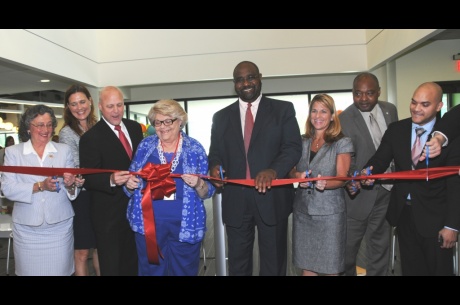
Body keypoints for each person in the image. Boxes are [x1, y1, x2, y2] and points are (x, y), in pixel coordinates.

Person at [208, 61, 302, 276]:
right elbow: (215, 153)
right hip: (236, 201)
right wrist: (215, 167)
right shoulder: (220, 117)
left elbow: (292, 147)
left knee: (274, 263)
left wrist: (273, 170)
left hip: (272, 198)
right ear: (234, 84)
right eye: (240, 80)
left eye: (250, 77)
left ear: (260, 77)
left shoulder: (283, 109)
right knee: (238, 266)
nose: (246, 83)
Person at [357, 82, 460, 275]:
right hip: (404, 214)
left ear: (439, 106)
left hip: (437, 219)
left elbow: (455, 183)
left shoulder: (449, 136)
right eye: (414, 102)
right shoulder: (397, 129)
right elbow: (379, 159)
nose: (416, 108)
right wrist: (367, 172)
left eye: (424, 104)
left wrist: (452, 225)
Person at [124, 99, 216, 276]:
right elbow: (130, 182)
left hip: (185, 226)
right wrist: (129, 184)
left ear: (180, 121)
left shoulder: (194, 148)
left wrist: (198, 183)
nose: (162, 127)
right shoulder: (145, 146)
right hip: (148, 226)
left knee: (184, 271)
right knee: (150, 271)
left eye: (168, 121)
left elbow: (208, 191)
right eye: (158, 122)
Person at [0, 104, 83, 276]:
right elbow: (7, 189)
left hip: (59, 228)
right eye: (39, 125)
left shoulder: (63, 150)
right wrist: (40, 186)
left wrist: (72, 183)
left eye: (49, 124)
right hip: (27, 229)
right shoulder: (13, 153)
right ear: (28, 127)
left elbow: (72, 189)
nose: (45, 129)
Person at [338, 72, 399, 276]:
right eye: (358, 94)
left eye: (369, 93)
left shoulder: (390, 110)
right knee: (347, 253)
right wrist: (354, 178)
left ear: (379, 92)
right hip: (357, 196)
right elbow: (346, 158)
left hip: (387, 191)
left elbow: (395, 148)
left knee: (380, 248)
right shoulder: (344, 118)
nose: (363, 99)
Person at [79, 86, 144, 276]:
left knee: (133, 263)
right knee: (112, 267)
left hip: (137, 210)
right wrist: (111, 179)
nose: (116, 111)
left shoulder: (134, 128)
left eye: (119, 105)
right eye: (110, 106)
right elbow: (88, 178)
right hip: (108, 216)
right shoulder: (90, 138)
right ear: (100, 107)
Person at [289, 94, 353, 276]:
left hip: (330, 216)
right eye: (314, 111)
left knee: (331, 268)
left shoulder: (342, 142)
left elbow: (342, 178)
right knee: (306, 266)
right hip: (302, 212)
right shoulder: (301, 142)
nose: (318, 115)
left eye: (324, 111)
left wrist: (326, 183)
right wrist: (297, 176)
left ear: (332, 116)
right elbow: (291, 171)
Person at [59, 84, 100, 276]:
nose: (79, 107)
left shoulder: (100, 127)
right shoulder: (67, 132)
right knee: (82, 251)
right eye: (73, 104)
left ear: (90, 101)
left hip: (101, 194)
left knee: (101, 249)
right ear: (68, 107)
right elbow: (76, 165)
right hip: (81, 198)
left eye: (82, 101)